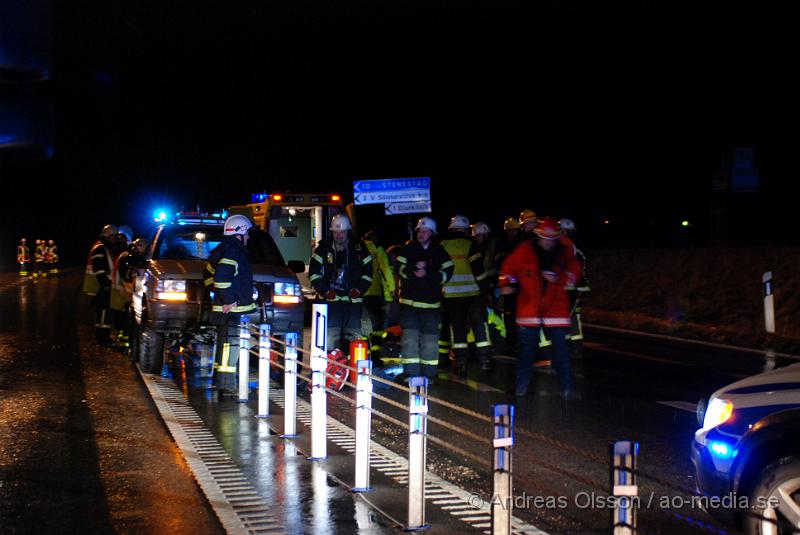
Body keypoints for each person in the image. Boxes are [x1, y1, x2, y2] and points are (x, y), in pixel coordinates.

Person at [499, 216, 581, 400]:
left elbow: (575, 271)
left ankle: (568, 389)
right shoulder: (525, 250)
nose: (548, 242)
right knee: (527, 353)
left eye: (551, 239)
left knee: (561, 353)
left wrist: (561, 279)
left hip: (556, 311)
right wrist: (507, 283)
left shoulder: (565, 251)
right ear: (538, 236)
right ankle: (521, 388)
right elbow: (508, 269)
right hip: (529, 311)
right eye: (545, 238)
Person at [395, 216, 453, 381]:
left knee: (430, 342)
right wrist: (413, 271)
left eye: (425, 231)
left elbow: (447, 272)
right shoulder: (409, 249)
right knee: (409, 340)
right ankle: (411, 373)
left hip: (431, 306)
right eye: (419, 230)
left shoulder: (439, 252)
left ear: (432, 233)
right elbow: (399, 267)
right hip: (409, 305)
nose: (421, 233)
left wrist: (428, 274)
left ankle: (429, 374)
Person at [308, 214, 373, 357]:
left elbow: (368, 273)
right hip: (331, 304)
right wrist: (325, 292)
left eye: (342, 231)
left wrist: (359, 289)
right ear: (332, 232)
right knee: (330, 339)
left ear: (348, 231)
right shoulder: (324, 248)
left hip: (353, 305)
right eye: (336, 232)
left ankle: (353, 373)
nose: (339, 235)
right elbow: (313, 274)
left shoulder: (359, 248)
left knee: (354, 340)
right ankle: (331, 372)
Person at [207, 214, 257, 394]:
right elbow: (220, 278)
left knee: (224, 346)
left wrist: (218, 298)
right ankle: (228, 385)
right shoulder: (235, 252)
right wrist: (228, 300)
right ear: (239, 233)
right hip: (233, 310)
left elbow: (209, 276)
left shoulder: (222, 249)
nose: (249, 237)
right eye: (247, 233)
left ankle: (220, 381)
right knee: (232, 348)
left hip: (223, 309)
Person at [440, 215, 493, 374]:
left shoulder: (442, 245)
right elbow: (479, 272)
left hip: (451, 296)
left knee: (458, 329)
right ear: (465, 229)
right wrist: (487, 291)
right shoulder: (470, 245)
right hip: (473, 294)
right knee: (479, 326)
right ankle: (485, 360)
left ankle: (461, 362)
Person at [110, 237, 148, 353]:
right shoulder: (126, 258)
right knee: (123, 322)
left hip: (123, 293)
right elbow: (127, 277)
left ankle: (122, 344)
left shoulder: (126, 256)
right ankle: (123, 346)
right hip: (123, 294)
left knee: (121, 323)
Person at [560, 218, 591, 357]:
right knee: (572, 317)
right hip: (574, 287)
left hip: (572, 287)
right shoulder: (575, 246)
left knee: (569, 317)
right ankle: (573, 348)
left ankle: (572, 348)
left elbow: (579, 268)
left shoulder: (570, 247)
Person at [83, 225, 118, 346]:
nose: (115, 239)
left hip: (103, 286)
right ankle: (103, 339)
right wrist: (106, 284)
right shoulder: (100, 248)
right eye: (113, 237)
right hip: (101, 287)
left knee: (103, 313)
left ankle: (103, 337)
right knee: (104, 313)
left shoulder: (105, 248)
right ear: (106, 236)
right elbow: (99, 269)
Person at [362, 230, 396, 333]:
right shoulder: (377, 249)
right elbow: (385, 269)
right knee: (378, 322)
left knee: (364, 321)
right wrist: (392, 288)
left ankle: (364, 344)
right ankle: (376, 345)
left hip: (358, 292)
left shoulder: (357, 247)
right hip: (374, 290)